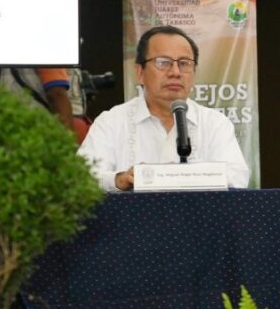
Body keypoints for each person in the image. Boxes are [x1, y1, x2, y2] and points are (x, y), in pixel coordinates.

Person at [78, 25, 249, 191]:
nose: (175, 72)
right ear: (140, 72)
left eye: (184, 63)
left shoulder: (215, 123)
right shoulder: (111, 122)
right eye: (163, 62)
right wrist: (117, 180)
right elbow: (81, 179)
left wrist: (185, 177)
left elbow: (238, 178)